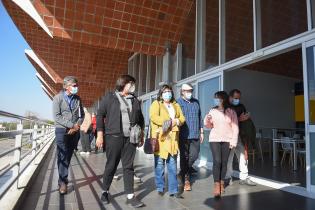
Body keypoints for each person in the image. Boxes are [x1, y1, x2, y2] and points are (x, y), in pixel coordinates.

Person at [96, 75, 145, 208]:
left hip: (130, 139)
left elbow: (140, 118)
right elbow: (100, 115)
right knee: (111, 165)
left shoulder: (134, 100)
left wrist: (141, 135)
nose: (133, 86)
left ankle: (130, 196)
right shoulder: (110, 97)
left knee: (128, 167)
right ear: (124, 84)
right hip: (114, 138)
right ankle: (104, 191)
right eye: (131, 84)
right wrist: (100, 135)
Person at [149, 84, 185, 198]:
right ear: (161, 93)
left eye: (169, 91)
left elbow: (182, 118)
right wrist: (169, 121)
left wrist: (177, 121)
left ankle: (173, 190)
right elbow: (153, 117)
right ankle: (160, 187)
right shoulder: (156, 103)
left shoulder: (175, 104)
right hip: (161, 138)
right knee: (159, 165)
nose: (167, 93)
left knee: (172, 166)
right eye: (165, 91)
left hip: (173, 139)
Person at [53, 76, 84, 194]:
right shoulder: (57, 98)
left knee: (68, 156)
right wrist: (71, 125)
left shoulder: (78, 99)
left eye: (77, 85)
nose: (77, 87)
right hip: (62, 130)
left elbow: (81, 115)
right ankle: (63, 182)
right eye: (74, 86)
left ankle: (62, 178)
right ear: (66, 86)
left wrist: (76, 126)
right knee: (62, 155)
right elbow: (57, 116)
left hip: (74, 131)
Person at [204, 91, 238, 198]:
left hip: (227, 139)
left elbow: (235, 128)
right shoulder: (212, 111)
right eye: (215, 98)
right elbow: (208, 126)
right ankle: (216, 185)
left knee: (224, 162)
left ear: (223, 99)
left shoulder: (231, 111)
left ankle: (222, 183)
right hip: (214, 139)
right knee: (217, 161)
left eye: (217, 98)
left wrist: (233, 141)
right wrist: (207, 120)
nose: (215, 100)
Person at [225, 89, 257, 186]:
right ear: (230, 97)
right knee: (229, 158)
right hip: (229, 136)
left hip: (240, 136)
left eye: (238, 98)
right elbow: (225, 122)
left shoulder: (241, 106)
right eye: (235, 98)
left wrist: (246, 117)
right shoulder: (226, 107)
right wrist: (239, 119)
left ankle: (244, 177)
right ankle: (227, 177)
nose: (237, 100)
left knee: (243, 156)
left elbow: (244, 118)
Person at [177, 84, 204, 191]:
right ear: (182, 91)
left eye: (191, 90)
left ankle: (182, 172)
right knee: (184, 157)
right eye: (187, 91)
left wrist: (201, 132)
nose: (190, 92)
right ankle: (186, 179)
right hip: (183, 135)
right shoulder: (178, 102)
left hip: (195, 134)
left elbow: (200, 117)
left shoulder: (196, 102)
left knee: (194, 155)